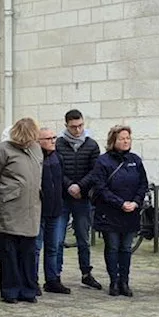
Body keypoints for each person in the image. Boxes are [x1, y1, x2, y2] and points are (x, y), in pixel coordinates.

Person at [85, 125, 149, 297]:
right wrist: (120, 203)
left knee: (126, 248)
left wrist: (135, 202)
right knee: (113, 247)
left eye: (128, 138)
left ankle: (125, 281)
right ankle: (114, 280)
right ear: (113, 140)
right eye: (122, 138)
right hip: (110, 211)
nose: (125, 141)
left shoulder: (135, 160)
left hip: (131, 212)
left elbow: (143, 184)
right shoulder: (103, 161)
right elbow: (101, 187)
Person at [0, 117, 44, 304]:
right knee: (9, 251)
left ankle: (28, 290)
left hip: (32, 207)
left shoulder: (36, 149)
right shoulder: (2, 150)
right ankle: (10, 291)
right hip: (11, 207)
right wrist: (3, 196)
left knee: (28, 251)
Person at [56, 109, 103, 290]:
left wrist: (80, 186)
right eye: (73, 127)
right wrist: (69, 185)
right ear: (66, 125)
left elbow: (95, 170)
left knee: (83, 238)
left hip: (82, 198)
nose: (77, 130)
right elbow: (57, 169)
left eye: (80, 126)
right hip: (62, 197)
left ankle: (86, 273)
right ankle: (55, 274)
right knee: (58, 239)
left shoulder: (91, 145)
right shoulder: (58, 144)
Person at [35, 125, 68, 294]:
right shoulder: (35, 158)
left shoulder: (57, 157)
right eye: (48, 139)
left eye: (54, 138)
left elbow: (61, 180)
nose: (53, 141)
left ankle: (52, 279)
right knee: (36, 248)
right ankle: (33, 281)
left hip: (56, 209)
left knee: (53, 246)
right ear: (38, 141)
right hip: (39, 210)